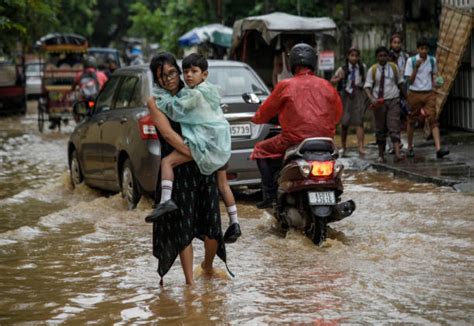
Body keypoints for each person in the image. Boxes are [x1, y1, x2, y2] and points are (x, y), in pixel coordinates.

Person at [146, 52, 231, 285]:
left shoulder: (194, 92)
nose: (169, 78)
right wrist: (199, 153)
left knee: (212, 224)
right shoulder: (155, 102)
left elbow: (214, 118)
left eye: (172, 72)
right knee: (183, 228)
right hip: (178, 172)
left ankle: (208, 267)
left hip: (203, 169)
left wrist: (210, 154)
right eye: (162, 76)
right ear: (156, 79)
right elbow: (168, 135)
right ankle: (190, 284)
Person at [251, 43, 343, 208]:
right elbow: (337, 114)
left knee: (259, 149)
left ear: (292, 62)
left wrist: (255, 119)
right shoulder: (327, 85)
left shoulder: (285, 85)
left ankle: (270, 197)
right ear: (313, 62)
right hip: (325, 142)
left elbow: (264, 113)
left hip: (293, 140)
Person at [404, 37, 449, 159]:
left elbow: (433, 77)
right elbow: (410, 81)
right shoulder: (411, 61)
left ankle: (438, 149)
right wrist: (416, 68)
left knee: (433, 119)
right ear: (417, 49)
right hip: (414, 93)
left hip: (429, 93)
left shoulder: (432, 60)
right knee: (411, 120)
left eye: (426, 49)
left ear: (428, 49)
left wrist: (437, 83)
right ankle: (409, 147)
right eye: (421, 48)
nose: (424, 51)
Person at [364, 46, 405, 163]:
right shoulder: (372, 70)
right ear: (377, 57)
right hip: (378, 102)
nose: (382, 58)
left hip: (393, 99)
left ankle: (397, 153)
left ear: (388, 56)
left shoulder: (393, 67)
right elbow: (367, 87)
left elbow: (400, 83)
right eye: (380, 56)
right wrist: (371, 98)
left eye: (384, 55)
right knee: (380, 128)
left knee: (394, 126)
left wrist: (407, 98)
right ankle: (381, 155)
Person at [330, 47, 367, 157]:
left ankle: (361, 146)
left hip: (358, 94)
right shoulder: (342, 69)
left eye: (356, 56)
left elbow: (366, 81)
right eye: (352, 55)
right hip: (345, 95)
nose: (354, 58)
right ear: (348, 56)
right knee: (344, 122)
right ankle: (343, 146)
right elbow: (332, 81)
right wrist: (339, 78)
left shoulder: (362, 67)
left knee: (359, 121)